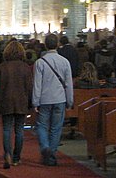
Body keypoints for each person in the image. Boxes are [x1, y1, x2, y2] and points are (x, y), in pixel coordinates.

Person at [32, 33, 73, 166]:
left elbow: (37, 84)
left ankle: (45, 147)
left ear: (45, 45)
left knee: (42, 126)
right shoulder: (64, 61)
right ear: (57, 45)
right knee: (56, 128)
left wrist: (35, 101)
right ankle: (52, 154)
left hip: (44, 99)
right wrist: (70, 100)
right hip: (60, 99)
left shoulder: (40, 62)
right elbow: (68, 83)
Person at [0, 40, 33, 169]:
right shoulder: (25, 68)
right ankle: (16, 157)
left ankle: (7, 154)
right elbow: (30, 87)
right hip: (21, 101)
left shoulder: (2, 67)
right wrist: (30, 102)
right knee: (19, 130)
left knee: (7, 129)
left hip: (6, 101)